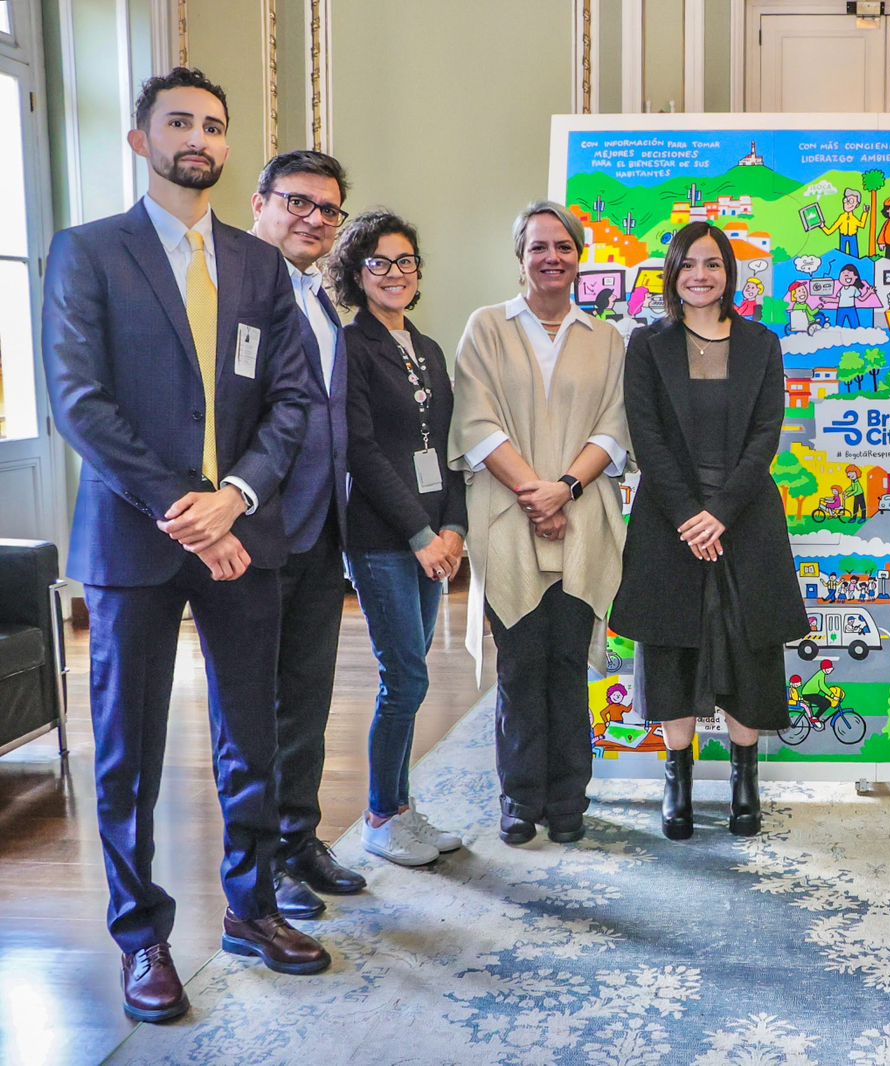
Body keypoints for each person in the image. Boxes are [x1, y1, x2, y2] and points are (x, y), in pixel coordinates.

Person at [41, 66, 328, 1023]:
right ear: (141, 141)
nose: (197, 137)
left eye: (212, 124)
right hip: (135, 541)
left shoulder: (258, 265)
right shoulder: (87, 253)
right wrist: (183, 506)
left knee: (253, 737)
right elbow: (80, 403)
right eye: (177, 122)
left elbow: (292, 398)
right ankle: (141, 938)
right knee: (129, 751)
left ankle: (251, 908)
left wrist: (235, 497)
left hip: (245, 535)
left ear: (227, 145)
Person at [612, 221, 809, 840]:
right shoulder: (647, 344)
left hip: (745, 515)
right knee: (672, 646)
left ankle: (746, 780)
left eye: (713, 263)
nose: (701, 275)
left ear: (729, 273)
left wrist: (720, 512)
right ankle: (678, 779)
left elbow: (765, 436)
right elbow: (646, 436)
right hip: (670, 517)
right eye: (689, 264)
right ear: (672, 273)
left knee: (748, 645)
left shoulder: (761, 343)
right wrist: (688, 516)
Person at [448, 201, 630, 847]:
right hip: (507, 517)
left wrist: (564, 491)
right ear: (520, 257)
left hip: (584, 518)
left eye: (563, 246)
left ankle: (569, 798)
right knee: (522, 663)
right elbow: (475, 422)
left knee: (567, 661)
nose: (551, 257)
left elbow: (615, 426)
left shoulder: (606, 338)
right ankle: (521, 799)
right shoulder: (487, 327)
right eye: (538, 247)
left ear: (579, 258)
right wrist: (536, 495)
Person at [246, 149, 368, 918]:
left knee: (306, 697)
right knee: (255, 709)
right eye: (298, 201)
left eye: (328, 209)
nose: (314, 219)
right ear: (260, 202)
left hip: (323, 532)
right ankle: (260, 864)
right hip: (258, 532)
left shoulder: (320, 299)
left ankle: (299, 838)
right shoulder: (236, 294)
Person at [329, 210, 467, 867]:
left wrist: (454, 527)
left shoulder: (428, 348)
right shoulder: (350, 346)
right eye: (379, 262)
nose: (395, 273)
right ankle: (382, 817)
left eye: (405, 261)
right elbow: (359, 449)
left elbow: (449, 446)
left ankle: (403, 808)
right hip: (382, 537)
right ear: (357, 273)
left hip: (433, 535)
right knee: (405, 676)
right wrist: (419, 533)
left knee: (412, 675)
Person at [824, 188, 867, 257]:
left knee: (854, 254)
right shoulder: (842, 217)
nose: (847, 203)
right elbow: (830, 231)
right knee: (842, 254)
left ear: (857, 205)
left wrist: (865, 213)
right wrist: (823, 226)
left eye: (851, 201)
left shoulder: (854, 219)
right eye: (846, 200)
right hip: (843, 236)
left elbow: (862, 225)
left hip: (853, 237)